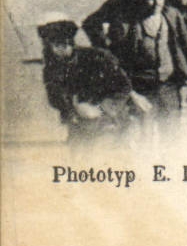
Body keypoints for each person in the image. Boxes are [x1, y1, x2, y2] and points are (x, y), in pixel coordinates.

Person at [98, 0, 187, 137]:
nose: (156, 3)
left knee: (171, 136)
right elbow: (117, 62)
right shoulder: (127, 24)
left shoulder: (172, 16)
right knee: (143, 137)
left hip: (169, 86)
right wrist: (132, 94)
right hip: (142, 89)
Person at [37, 13, 146, 150]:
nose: (60, 50)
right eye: (55, 46)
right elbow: (54, 96)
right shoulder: (51, 68)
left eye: (63, 44)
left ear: (71, 43)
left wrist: (101, 108)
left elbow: (123, 87)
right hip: (80, 124)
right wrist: (74, 106)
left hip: (111, 121)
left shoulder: (98, 57)